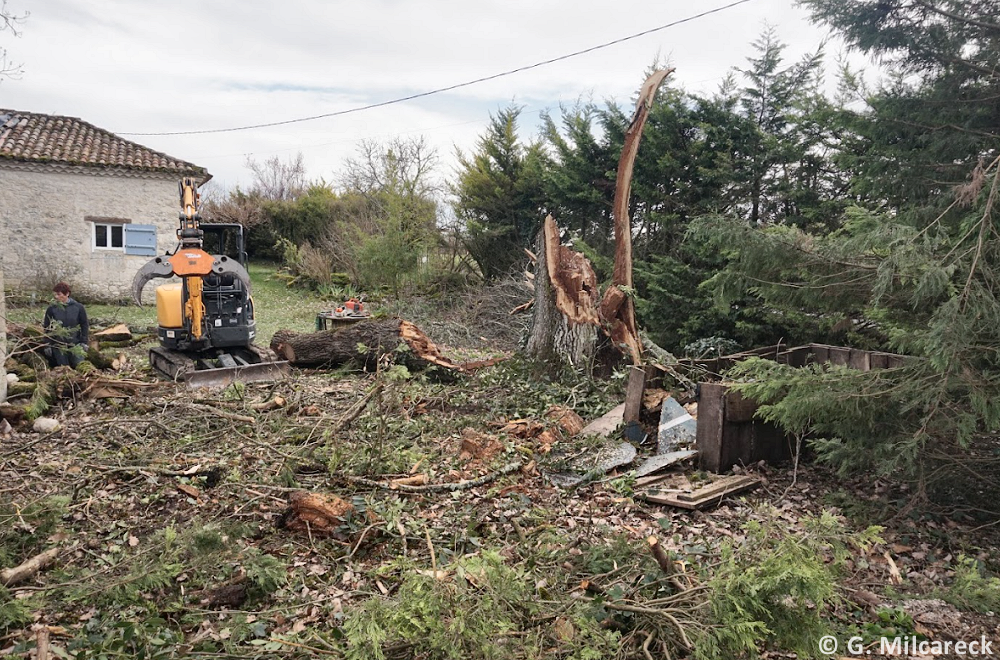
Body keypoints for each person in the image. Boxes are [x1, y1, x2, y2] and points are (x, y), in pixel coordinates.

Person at [43, 282, 89, 368]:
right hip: (58, 344)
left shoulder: (78, 308)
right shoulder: (52, 309)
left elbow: (84, 325)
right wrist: (47, 344)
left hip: (75, 343)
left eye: (59, 294)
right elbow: (47, 326)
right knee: (63, 368)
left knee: (79, 365)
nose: (56, 297)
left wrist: (84, 342)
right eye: (55, 294)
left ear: (67, 294)